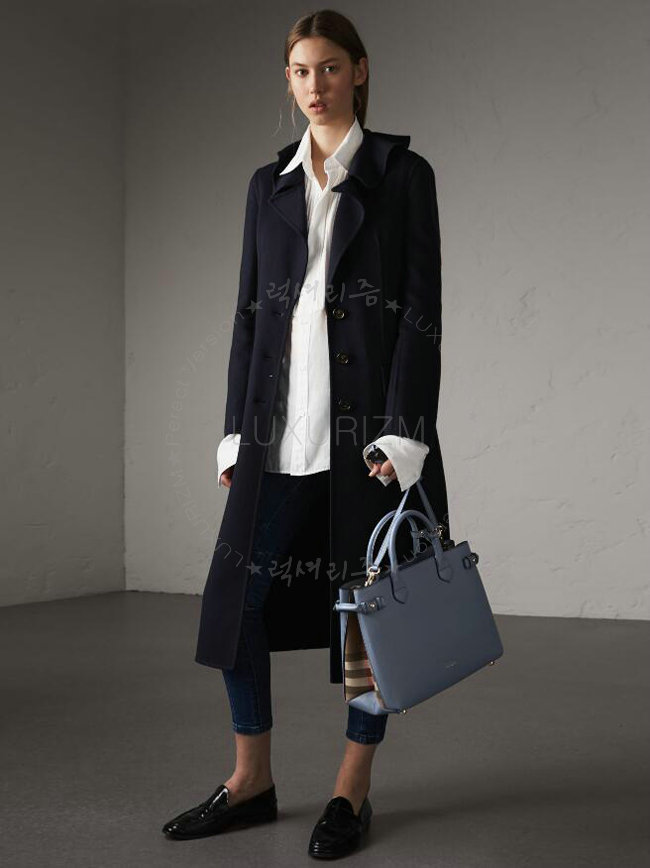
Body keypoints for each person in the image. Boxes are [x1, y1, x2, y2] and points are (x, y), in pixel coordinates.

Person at [163, 9, 449, 860]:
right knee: (235, 606)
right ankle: (250, 780)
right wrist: (233, 434)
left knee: (370, 623)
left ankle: (350, 791)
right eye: (299, 71)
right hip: (277, 435)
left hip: (368, 444)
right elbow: (249, 318)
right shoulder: (269, 184)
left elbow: (422, 316)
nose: (314, 85)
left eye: (328, 67)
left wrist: (403, 434)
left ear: (359, 71)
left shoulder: (402, 175)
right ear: (287, 81)